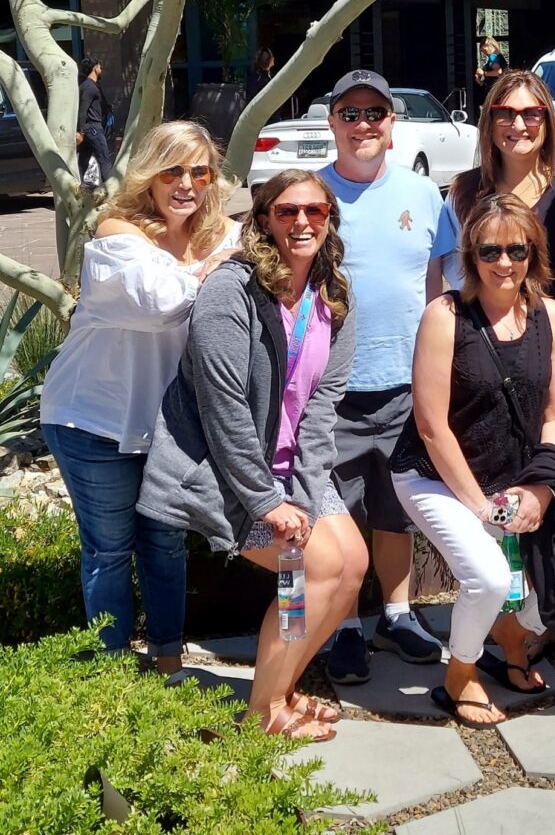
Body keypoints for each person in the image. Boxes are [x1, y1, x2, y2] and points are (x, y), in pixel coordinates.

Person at [138, 170, 363, 742]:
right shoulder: (231, 291)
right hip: (227, 471)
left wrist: (306, 496)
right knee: (310, 568)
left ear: (330, 218)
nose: (303, 222)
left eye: (315, 210)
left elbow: (322, 404)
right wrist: (268, 502)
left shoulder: (333, 294)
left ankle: (283, 684)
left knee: (352, 564)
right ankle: (263, 712)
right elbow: (223, 408)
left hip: (294, 465)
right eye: (287, 211)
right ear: (263, 219)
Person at [40, 121, 240, 675]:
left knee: (166, 545)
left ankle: (166, 665)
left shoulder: (220, 233)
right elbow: (158, 302)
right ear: (149, 175)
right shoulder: (115, 230)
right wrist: (214, 267)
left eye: (199, 171)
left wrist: (216, 260)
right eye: (172, 170)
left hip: (168, 425)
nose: (186, 184)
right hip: (93, 420)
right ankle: (109, 677)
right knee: (109, 549)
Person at [433, 70, 555, 666]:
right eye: (506, 113)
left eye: (532, 113)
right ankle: (518, 617)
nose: (519, 123)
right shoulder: (461, 193)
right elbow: (440, 285)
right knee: (505, 490)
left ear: (549, 121)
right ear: (489, 123)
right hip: (490, 360)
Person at [390, 194, 555, 726]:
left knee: (553, 586)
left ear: (533, 253)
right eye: (490, 249)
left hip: (514, 479)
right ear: (470, 254)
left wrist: (540, 489)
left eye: (517, 249)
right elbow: (430, 425)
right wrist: (482, 508)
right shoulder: (446, 315)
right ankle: (461, 675)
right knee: (490, 578)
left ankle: (509, 633)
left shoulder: (551, 316)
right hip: (434, 476)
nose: (504, 262)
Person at [319, 69, 445, 684]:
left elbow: (436, 285)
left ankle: (397, 614)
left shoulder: (423, 194)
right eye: (351, 113)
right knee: (338, 511)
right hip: (331, 391)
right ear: (332, 122)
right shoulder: (310, 195)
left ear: (392, 124)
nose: (363, 124)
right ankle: (343, 626)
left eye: (375, 113)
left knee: (396, 507)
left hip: (405, 381)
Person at [76, 56, 113, 185]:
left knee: (83, 160)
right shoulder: (89, 87)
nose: (101, 69)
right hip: (92, 128)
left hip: (89, 129)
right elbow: (83, 109)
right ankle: (110, 190)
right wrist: (80, 132)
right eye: (99, 66)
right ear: (95, 68)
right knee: (104, 158)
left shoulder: (89, 86)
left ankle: (79, 185)